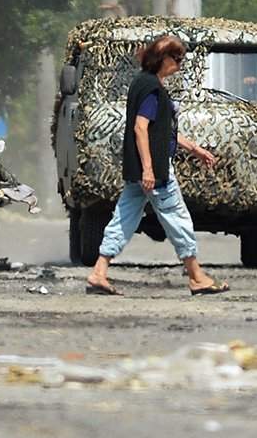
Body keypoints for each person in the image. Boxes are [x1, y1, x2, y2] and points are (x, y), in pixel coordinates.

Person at [87, 34, 228, 297]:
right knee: (177, 217)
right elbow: (141, 129)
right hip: (155, 171)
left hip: (137, 170)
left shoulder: (143, 83)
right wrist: (149, 169)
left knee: (124, 218)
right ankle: (197, 277)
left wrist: (195, 149)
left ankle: (99, 272)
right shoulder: (152, 88)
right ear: (163, 58)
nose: (180, 65)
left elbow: (161, 131)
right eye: (177, 59)